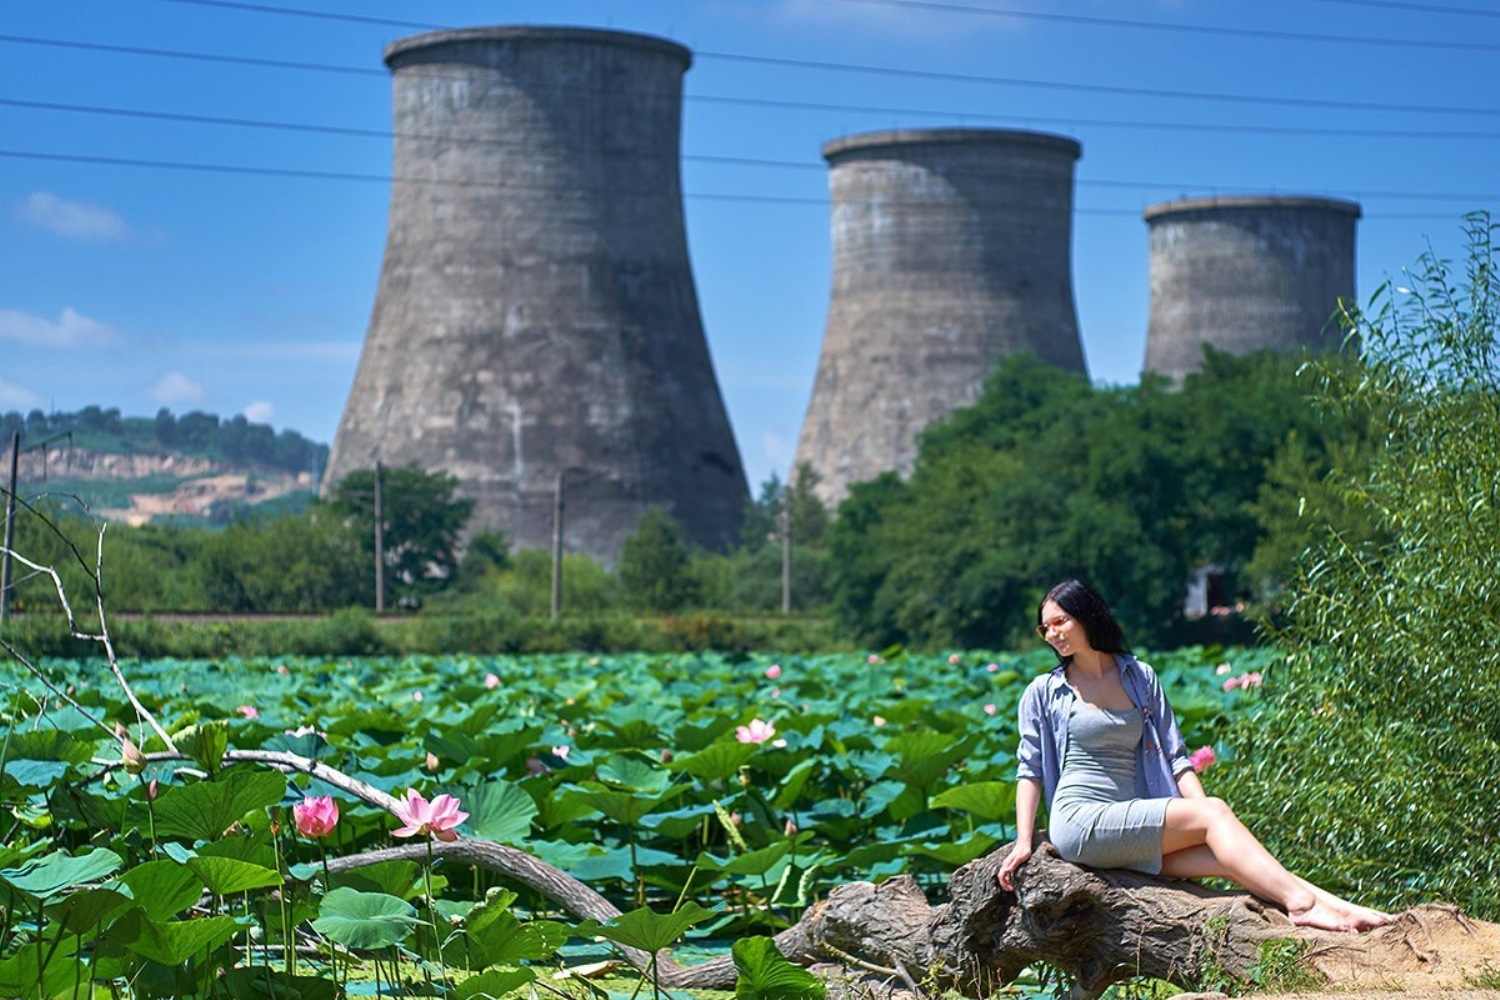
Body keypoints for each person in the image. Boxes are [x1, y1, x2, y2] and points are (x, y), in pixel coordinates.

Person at [995, 578, 1392, 933]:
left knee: (1230, 856)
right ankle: (1303, 907)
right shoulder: (1045, 691)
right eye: (1044, 628)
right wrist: (1023, 841)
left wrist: (1209, 825)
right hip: (1081, 821)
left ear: (1086, 616)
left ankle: (1347, 911)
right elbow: (1029, 769)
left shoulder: (1139, 677)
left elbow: (1176, 757)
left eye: (1060, 621)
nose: (1051, 634)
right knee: (1216, 816)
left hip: (1131, 818)